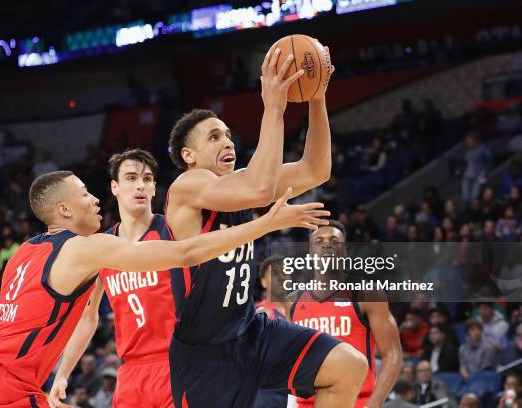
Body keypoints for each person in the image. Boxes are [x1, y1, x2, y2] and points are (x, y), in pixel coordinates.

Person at [0, 170, 328, 407]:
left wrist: (62, 374)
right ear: (64, 210)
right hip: (6, 389)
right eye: (84, 194)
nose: (95, 199)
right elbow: (184, 253)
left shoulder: (21, 254)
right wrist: (266, 224)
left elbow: (80, 318)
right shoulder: (85, 247)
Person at [166, 47, 367, 408]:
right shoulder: (187, 187)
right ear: (188, 156)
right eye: (213, 137)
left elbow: (316, 170)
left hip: (252, 332)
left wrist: (317, 99)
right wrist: (273, 106)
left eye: (227, 134)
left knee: (349, 366)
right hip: (204, 355)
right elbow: (259, 187)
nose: (227, 141)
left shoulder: (242, 183)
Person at [49, 149, 178, 407]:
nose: (140, 185)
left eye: (148, 179)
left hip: (177, 363)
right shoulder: (101, 247)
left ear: (154, 188)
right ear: (115, 187)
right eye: (131, 178)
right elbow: (88, 317)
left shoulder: (173, 231)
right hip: (130, 373)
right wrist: (62, 375)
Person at [291, 221, 403, 408]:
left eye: (334, 241)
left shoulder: (367, 293)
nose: (327, 244)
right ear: (310, 254)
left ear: (344, 251)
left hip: (356, 402)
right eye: (319, 241)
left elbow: (393, 354)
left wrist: (374, 404)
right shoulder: (292, 301)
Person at [253, 255, 291, 408]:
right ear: (263, 281)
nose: (281, 277)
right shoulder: (262, 312)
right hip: (271, 392)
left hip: (297, 387)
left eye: (285, 272)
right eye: (275, 273)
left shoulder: (301, 310)